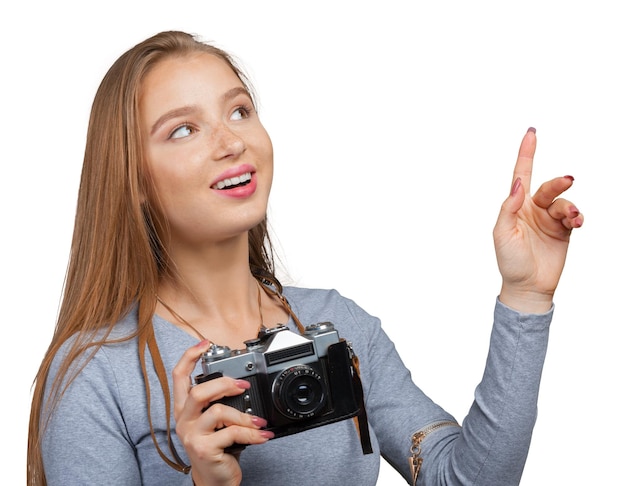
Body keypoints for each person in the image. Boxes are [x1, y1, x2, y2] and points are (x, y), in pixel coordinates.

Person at [27, 30, 584, 486]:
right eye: (184, 129)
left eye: (239, 111)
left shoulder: (341, 328)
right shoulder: (94, 373)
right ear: (134, 182)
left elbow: (464, 481)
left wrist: (525, 300)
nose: (230, 142)